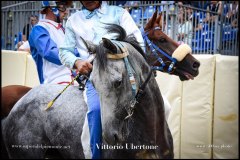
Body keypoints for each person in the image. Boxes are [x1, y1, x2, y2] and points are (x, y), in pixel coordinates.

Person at [59, 1, 144, 159]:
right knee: (97, 110)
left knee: (162, 105)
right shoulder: (73, 20)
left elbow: (139, 43)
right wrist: (77, 62)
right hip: (96, 79)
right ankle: (96, 155)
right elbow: (64, 51)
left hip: (125, 76)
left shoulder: (120, 13)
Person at [29, 1, 74, 85]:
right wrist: (75, 60)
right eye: (63, 7)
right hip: (54, 81)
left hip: (72, 79)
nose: (66, 12)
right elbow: (49, 52)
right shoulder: (39, 29)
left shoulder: (62, 29)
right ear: (51, 8)